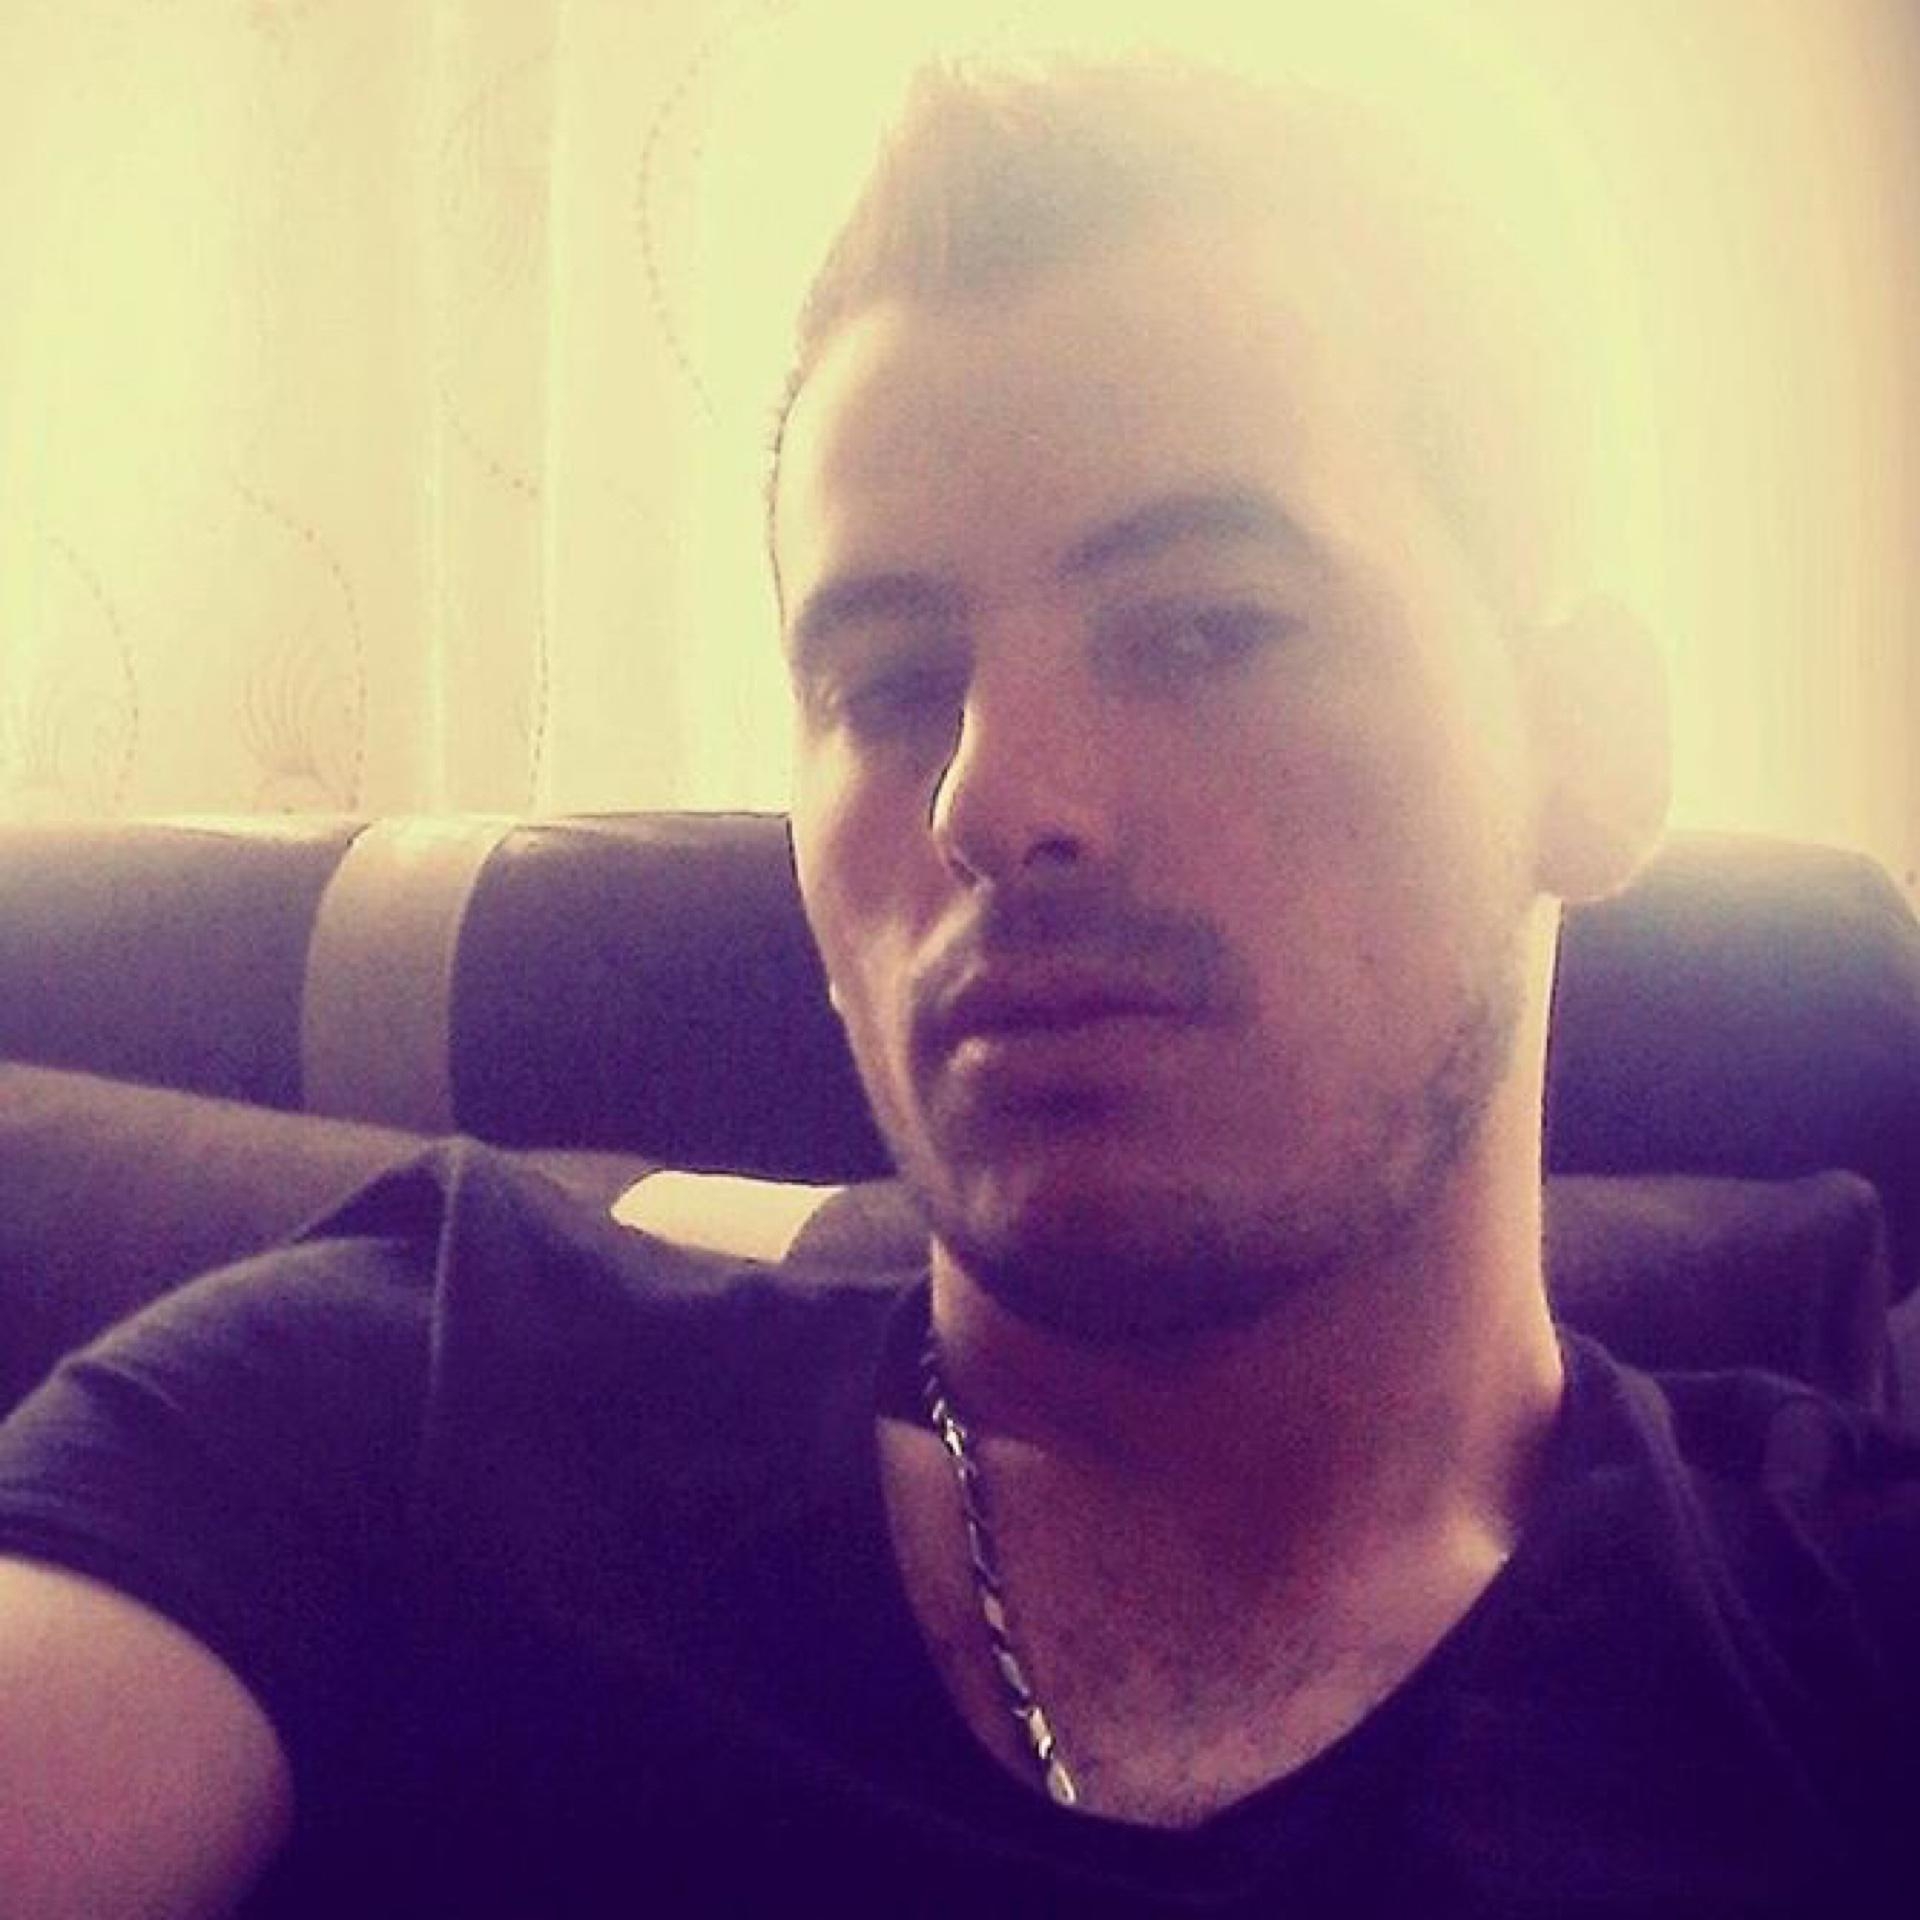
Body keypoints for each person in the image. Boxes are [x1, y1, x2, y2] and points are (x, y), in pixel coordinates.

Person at [0, 57, 1914, 1919]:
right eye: (890, 683)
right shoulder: (405, 1407)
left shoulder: (1849, 1645)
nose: (990, 803)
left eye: (1204, 629)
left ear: (1583, 746)